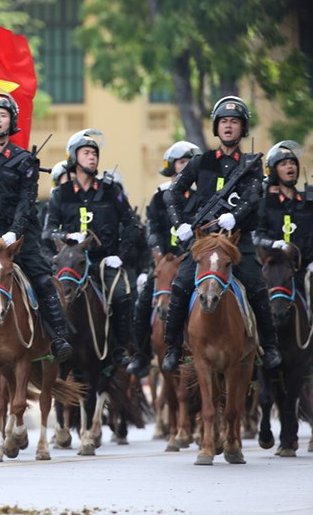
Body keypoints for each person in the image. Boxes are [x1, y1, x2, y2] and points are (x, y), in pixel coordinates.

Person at [160, 96, 282, 372]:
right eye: (224, 121)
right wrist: (180, 223)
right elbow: (173, 193)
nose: (228, 126)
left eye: (234, 122)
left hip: (237, 240)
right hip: (203, 241)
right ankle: (172, 347)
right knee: (179, 286)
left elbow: (253, 197)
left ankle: (270, 346)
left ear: (242, 128)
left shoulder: (251, 164)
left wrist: (234, 217)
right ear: (216, 127)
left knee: (256, 286)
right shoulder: (201, 162)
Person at [0, 89, 72, 362]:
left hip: (18, 235)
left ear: (12, 122)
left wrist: (15, 231)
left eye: (3, 115)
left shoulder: (25, 160)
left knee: (43, 280)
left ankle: (58, 336)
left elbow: (27, 201)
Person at [44, 129, 140, 365]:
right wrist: (66, 235)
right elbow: (48, 231)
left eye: (94, 153)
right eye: (86, 153)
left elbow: (131, 225)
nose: (92, 158)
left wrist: (120, 255)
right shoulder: (60, 194)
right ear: (74, 158)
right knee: (49, 296)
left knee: (120, 296)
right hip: (71, 263)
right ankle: (53, 344)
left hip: (103, 260)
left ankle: (119, 348)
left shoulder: (111, 191)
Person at [125, 140, 201, 376]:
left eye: (190, 162)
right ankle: (141, 355)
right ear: (172, 166)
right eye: (181, 162)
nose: (185, 166)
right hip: (163, 263)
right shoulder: (159, 198)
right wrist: (158, 254)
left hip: (191, 261)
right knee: (142, 299)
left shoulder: (201, 198)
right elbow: (152, 229)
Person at [254, 140, 313, 295]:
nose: (290, 166)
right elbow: (257, 236)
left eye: (292, 163)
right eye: (284, 164)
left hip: (306, 269)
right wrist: (274, 244)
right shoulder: (265, 203)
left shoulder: (309, 200)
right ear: (274, 171)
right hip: (275, 271)